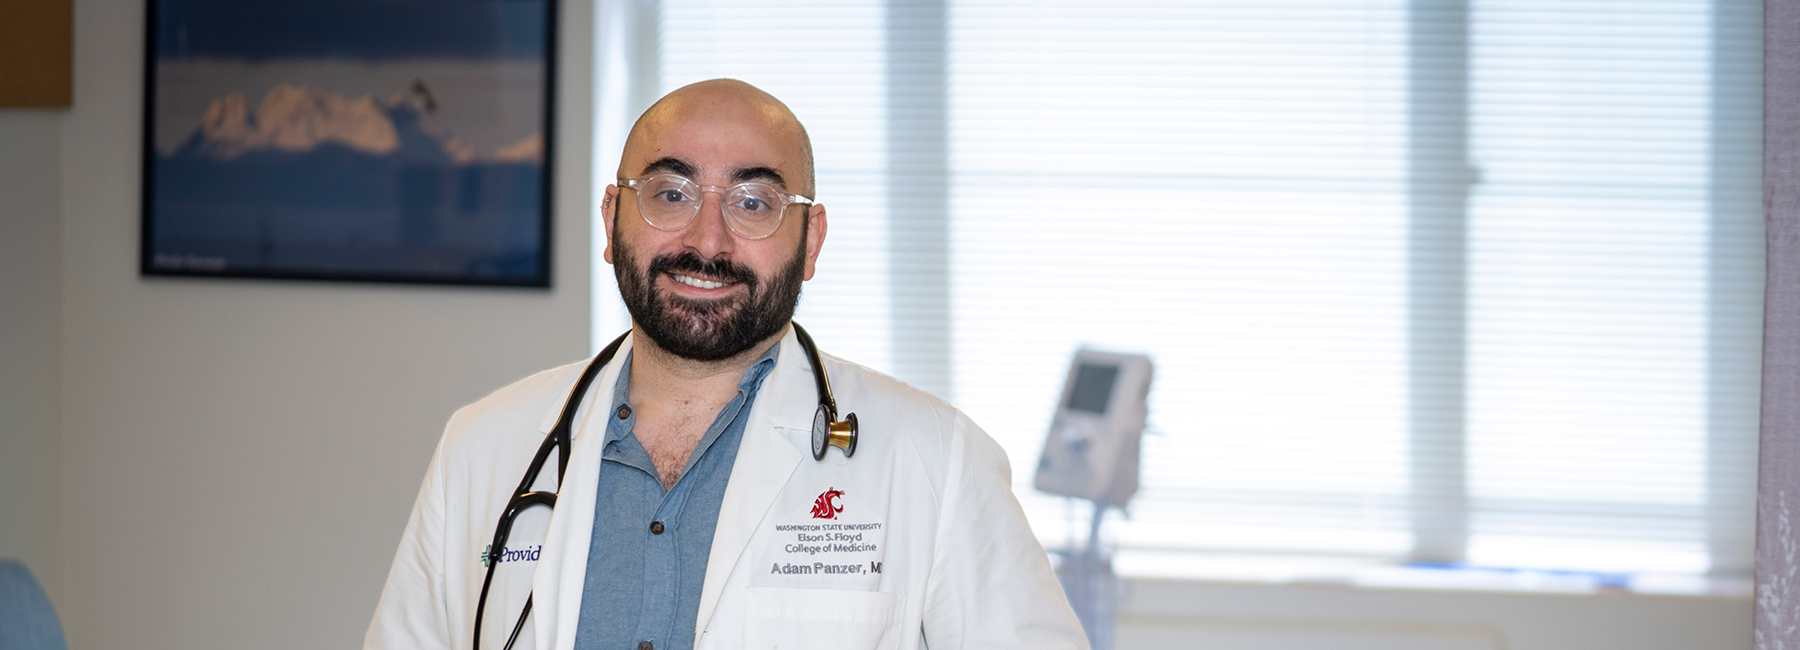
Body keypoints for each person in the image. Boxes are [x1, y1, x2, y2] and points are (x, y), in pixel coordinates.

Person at [364, 79, 1086, 650]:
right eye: (671, 194)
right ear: (613, 219)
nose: (707, 240)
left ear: (811, 240)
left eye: (754, 201)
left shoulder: (937, 461)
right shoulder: (483, 447)